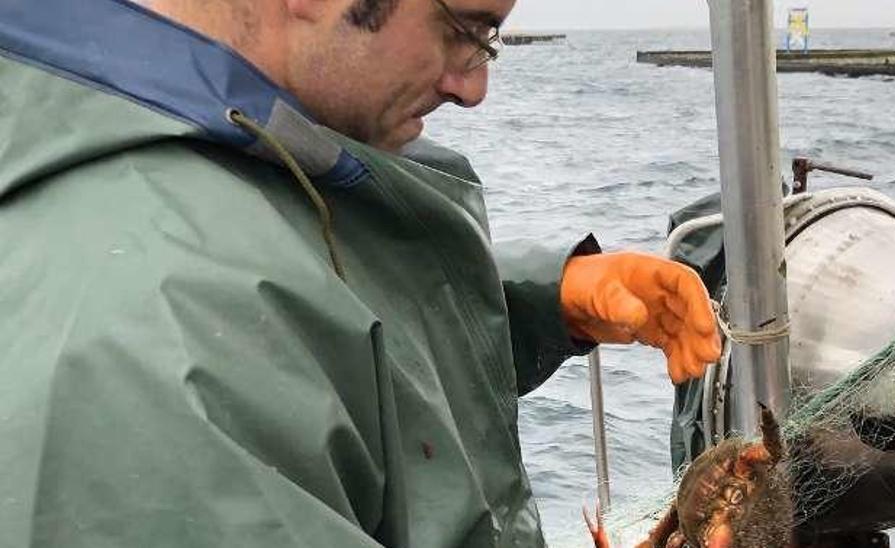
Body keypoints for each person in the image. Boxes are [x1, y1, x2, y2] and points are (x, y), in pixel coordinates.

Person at [0, 0, 722, 546]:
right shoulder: (147, 357)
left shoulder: (237, 152)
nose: (473, 87)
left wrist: (531, 303)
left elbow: (291, 333)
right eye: (464, 30)